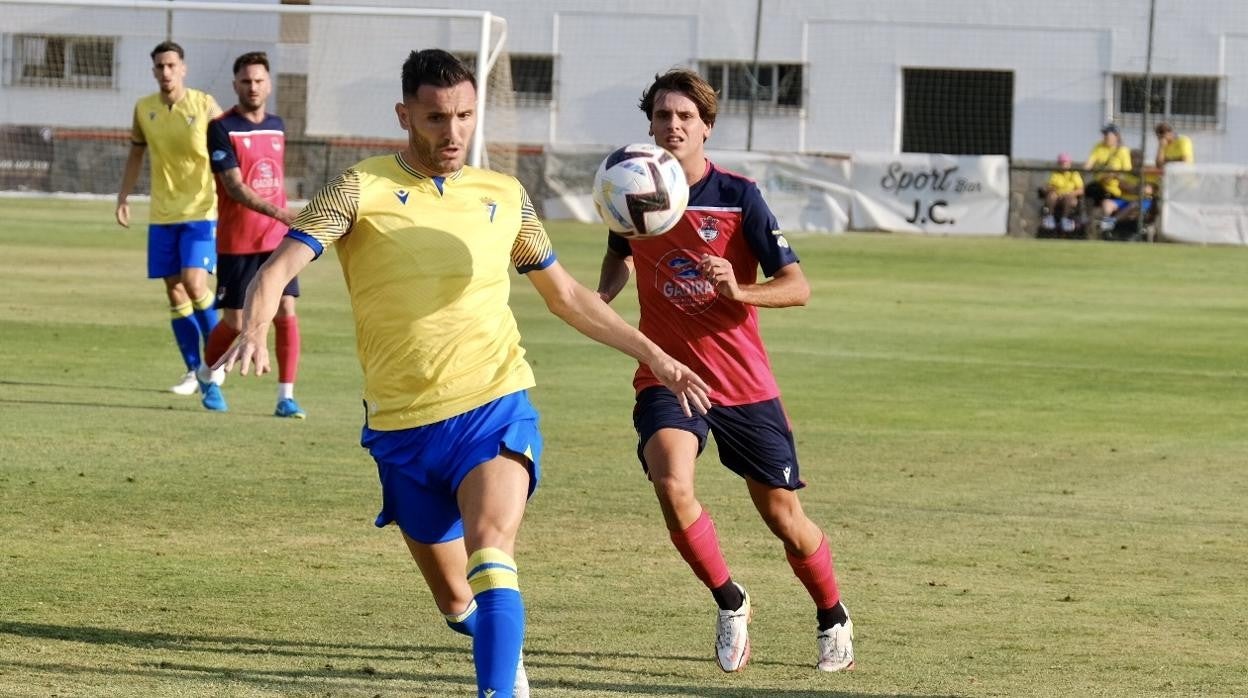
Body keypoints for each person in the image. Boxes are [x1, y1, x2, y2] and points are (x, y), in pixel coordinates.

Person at [214, 49, 711, 698]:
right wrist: (255, 319)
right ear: (405, 115)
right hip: (403, 428)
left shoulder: (505, 196)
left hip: (493, 405)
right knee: (456, 602)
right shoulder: (358, 188)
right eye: (436, 117)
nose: (453, 133)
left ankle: (497, 688)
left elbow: (566, 296)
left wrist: (655, 354)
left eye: (465, 116)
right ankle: (497, 652)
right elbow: (279, 267)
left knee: (492, 552)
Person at [595, 68, 855, 674]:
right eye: (663, 116)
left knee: (784, 519)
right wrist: (599, 298)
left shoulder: (739, 195)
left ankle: (832, 614)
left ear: (706, 127)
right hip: (666, 374)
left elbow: (798, 286)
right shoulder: (631, 187)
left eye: (686, 117)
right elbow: (618, 260)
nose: (673, 126)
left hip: (743, 383)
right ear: (651, 125)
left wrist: (739, 289)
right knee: (671, 482)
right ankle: (730, 600)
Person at [116, 41, 226, 405]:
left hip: (201, 211)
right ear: (154, 72)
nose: (166, 72)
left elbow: (228, 151)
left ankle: (219, 355)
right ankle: (195, 371)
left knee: (195, 284)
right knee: (174, 291)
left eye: (171, 65)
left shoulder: (205, 104)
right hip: (162, 216)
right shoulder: (143, 109)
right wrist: (123, 196)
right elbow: (135, 153)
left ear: (183, 68)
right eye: (159, 67)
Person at [202, 51, 302, 417]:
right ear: (235, 85)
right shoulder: (221, 127)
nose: (253, 87)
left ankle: (285, 397)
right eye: (246, 81)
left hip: (277, 239)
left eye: (259, 80)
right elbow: (234, 188)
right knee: (236, 322)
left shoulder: (277, 124)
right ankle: (208, 376)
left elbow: (273, 179)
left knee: (286, 310)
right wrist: (280, 212)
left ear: (268, 84)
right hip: (237, 240)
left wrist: (282, 219)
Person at [1083, 123, 1132, 234]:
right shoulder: (1099, 146)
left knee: (1102, 199)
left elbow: (1127, 173)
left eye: (1107, 134)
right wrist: (1086, 168)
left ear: (1116, 136)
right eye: (1104, 134)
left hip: (1114, 188)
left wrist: (1113, 175)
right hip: (1099, 186)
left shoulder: (1123, 150)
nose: (1104, 137)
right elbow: (1089, 163)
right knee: (1090, 188)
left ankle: (1106, 228)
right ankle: (1087, 219)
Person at [1040, 153, 1084, 237]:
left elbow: (1081, 190)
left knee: (1069, 198)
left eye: (1065, 163)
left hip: (1070, 198)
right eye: (1061, 163)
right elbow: (1049, 186)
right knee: (1052, 195)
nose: (1063, 165)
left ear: (1069, 164)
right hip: (1057, 197)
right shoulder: (1054, 174)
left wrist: (1071, 193)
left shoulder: (1074, 174)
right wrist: (1054, 190)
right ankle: (1050, 217)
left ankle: (1065, 219)